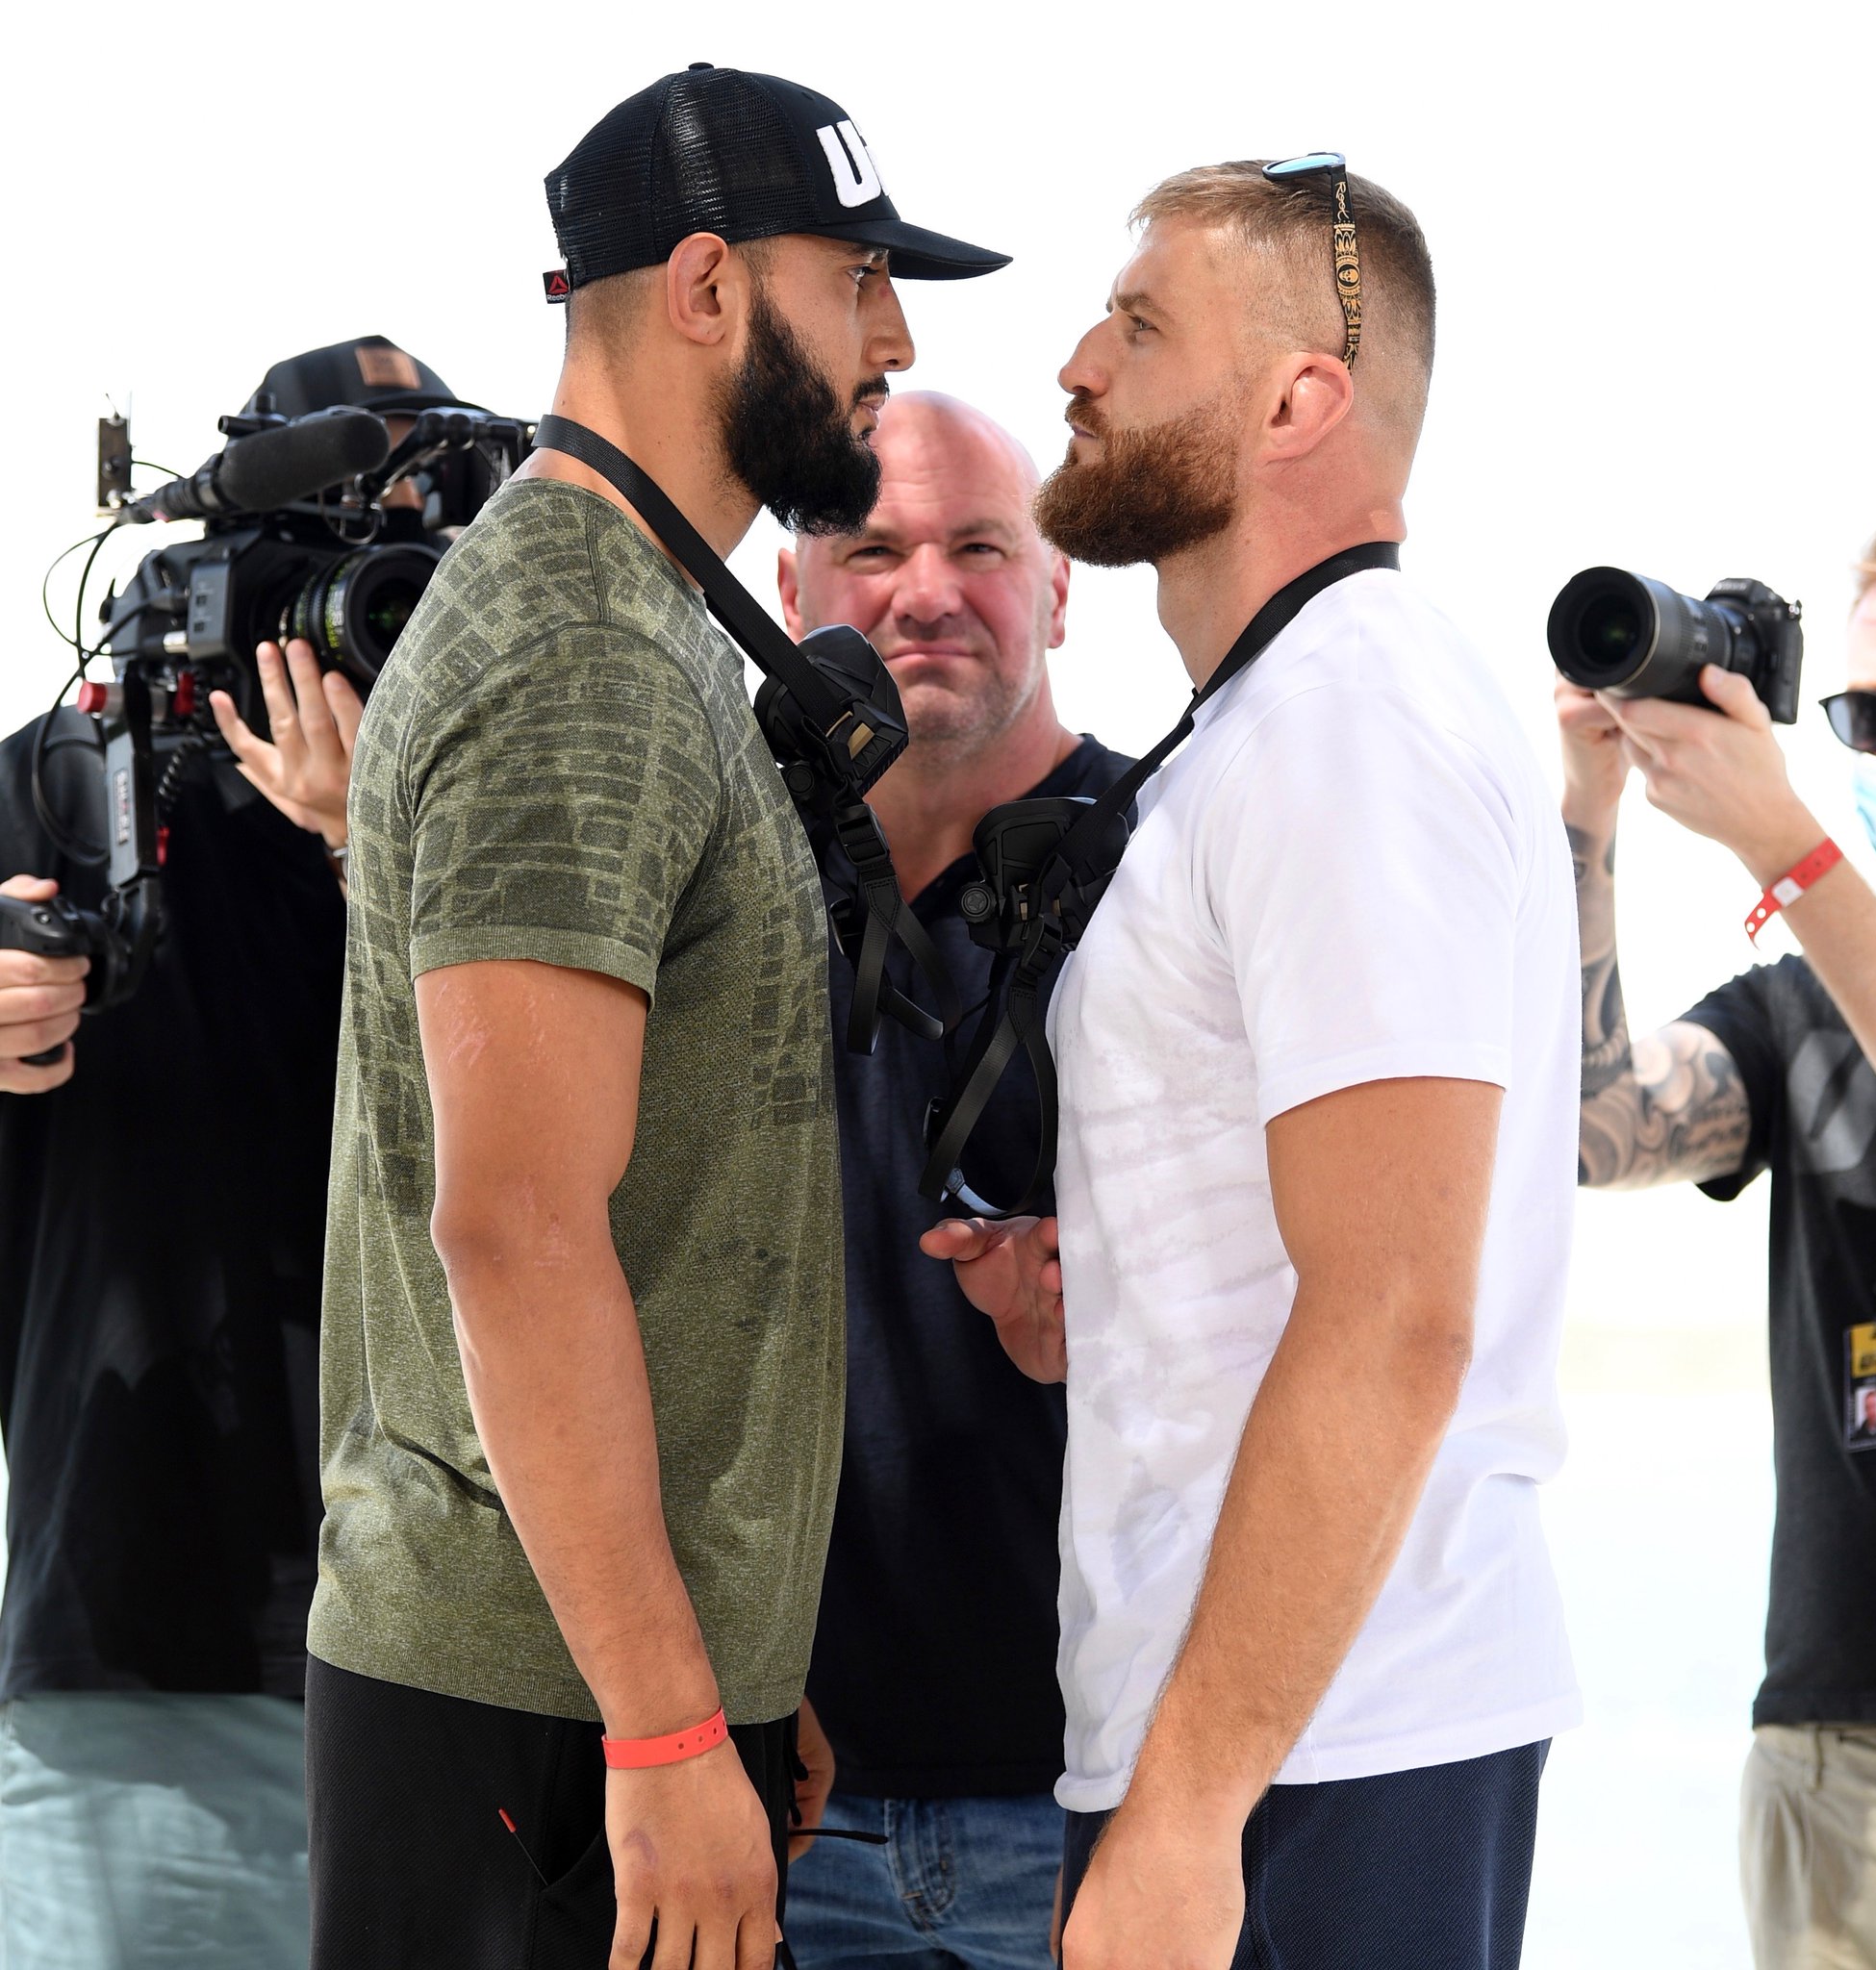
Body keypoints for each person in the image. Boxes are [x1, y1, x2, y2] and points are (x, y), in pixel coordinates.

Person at [303, 67, 1006, 1970]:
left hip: (597, 1686)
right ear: (704, 286)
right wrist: (668, 1717)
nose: (897, 337)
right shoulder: (581, 650)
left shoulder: (651, 622)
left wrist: (723, 1674)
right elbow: (512, 1225)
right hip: (533, 1707)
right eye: (855, 279)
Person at [928, 156, 1581, 1969]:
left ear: (1302, 397)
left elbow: (1395, 1316)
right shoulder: (1262, 732)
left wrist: (1195, 1812)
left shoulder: (1350, 730)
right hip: (1252, 1739)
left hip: (1325, 1757)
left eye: (1140, 327)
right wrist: (1093, 1299)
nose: (1075, 361)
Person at [0, 335, 453, 1968]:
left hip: (470, 1672)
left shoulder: (513, 831)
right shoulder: (63, 796)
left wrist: (371, 848)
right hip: (153, 1664)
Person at [1562, 508, 1876, 1970]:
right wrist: (1586, 815)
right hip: (1831, 1761)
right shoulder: (1807, 1010)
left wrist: (1782, 839)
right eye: (1873, 714)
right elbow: (1592, 1126)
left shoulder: (1828, 927)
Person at [773, 391, 1130, 1969]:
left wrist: (1107, 1302)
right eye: (871, 549)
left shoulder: (1172, 856)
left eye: (981, 546)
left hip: (1110, 1800)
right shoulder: (722, 884)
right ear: (792, 599)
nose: (926, 591)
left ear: (1058, 584)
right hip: (782, 1798)